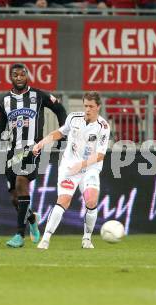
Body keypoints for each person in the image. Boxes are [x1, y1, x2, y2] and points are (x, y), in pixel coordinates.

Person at [0, 63, 67, 248]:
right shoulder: (4, 101)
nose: (19, 77)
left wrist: (63, 133)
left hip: (33, 149)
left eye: (22, 74)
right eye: (15, 74)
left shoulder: (39, 96)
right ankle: (32, 219)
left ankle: (20, 235)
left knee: (21, 182)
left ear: (27, 75)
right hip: (12, 151)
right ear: (10, 77)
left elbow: (60, 109)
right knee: (14, 197)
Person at [33, 91, 110, 250]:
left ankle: (87, 238)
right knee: (64, 200)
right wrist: (42, 142)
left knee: (91, 200)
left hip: (90, 168)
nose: (87, 109)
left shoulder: (103, 127)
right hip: (69, 166)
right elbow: (60, 132)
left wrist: (81, 165)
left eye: (91, 106)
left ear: (98, 107)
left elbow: (100, 155)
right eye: (85, 106)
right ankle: (46, 238)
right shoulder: (74, 118)